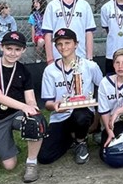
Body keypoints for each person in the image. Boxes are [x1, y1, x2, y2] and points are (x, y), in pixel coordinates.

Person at [0, 31, 43, 181]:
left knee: (35, 121)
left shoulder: (24, 71)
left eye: (17, 49)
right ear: (1, 47)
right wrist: (25, 106)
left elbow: (30, 99)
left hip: (16, 114)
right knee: (9, 165)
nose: (12, 53)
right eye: (9, 48)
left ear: (23, 50)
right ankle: (10, 148)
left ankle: (31, 163)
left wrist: (32, 108)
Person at [39, 28, 103, 165]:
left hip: (84, 113)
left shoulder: (90, 66)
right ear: (55, 47)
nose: (63, 47)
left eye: (67, 43)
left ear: (76, 44)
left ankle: (81, 141)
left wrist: (98, 119)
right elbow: (48, 103)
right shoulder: (50, 70)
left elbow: (104, 90)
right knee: (45, 157)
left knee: (81, 115)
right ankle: (69, 138)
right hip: (60, 117)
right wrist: (55, 106)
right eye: (59, 44)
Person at [42, 0, 96, 64]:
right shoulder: (52, 6)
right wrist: (50, 59)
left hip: (80, 56)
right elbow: (48, 34)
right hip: (58, 56)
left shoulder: (84, 5)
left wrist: (89, 57)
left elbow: (89, 33)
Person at [27, 0, 47, 64]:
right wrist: (33, 39)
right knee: (41, 41)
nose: (35, 4)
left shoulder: (47, 14)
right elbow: (33, 28)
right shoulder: (33, 15)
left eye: (37, 2)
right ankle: (38, 58)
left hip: (47, 34)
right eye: (34, 2)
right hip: (38, 35)